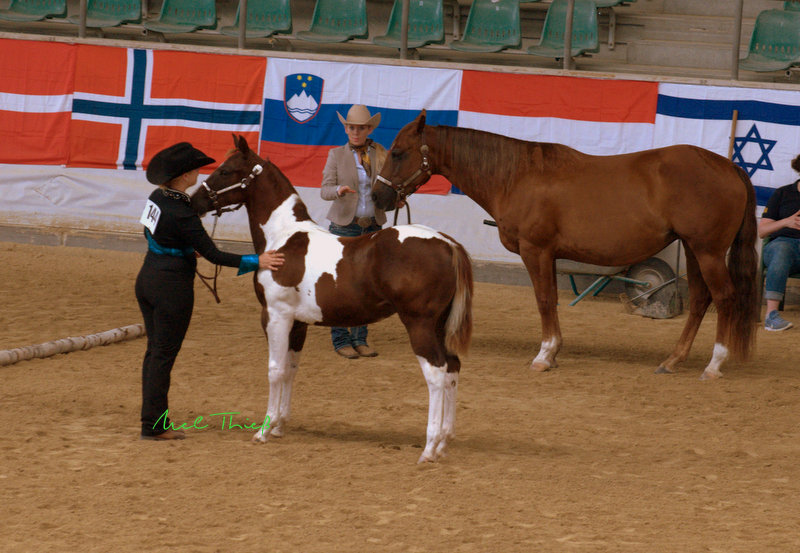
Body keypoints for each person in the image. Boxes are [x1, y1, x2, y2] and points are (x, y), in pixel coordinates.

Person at [136, 142, 284, 440]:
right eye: (195, 170)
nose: (199, 174)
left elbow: (148, 232)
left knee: (155, 353)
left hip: (148, 278)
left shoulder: (157, 197)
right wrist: (257, 261)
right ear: (184, 175)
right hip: (172, 287)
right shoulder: (183, 212)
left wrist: (180, 246)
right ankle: (154, 426)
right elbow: (216, 255)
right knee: (163, 356)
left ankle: (151, 420)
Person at [320, 105, 388, 359]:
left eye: (361, 128)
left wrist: (395, 200)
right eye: (351, 127)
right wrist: (338, 190)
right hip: (343, 226)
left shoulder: (381, 154)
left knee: (367, 285)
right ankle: (340, 339)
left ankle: (360, 338)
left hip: (372, 226)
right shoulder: (336, 155)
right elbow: (324, 190)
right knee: (341, 286)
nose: (356, 132)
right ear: (346, 128)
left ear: (369, 129)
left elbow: (388, 186)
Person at [758, 153, 800, 331]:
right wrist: (786, 222)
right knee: (782, 250)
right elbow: (762, 231)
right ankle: (771, 316)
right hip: (782, 245)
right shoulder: (782, 193)